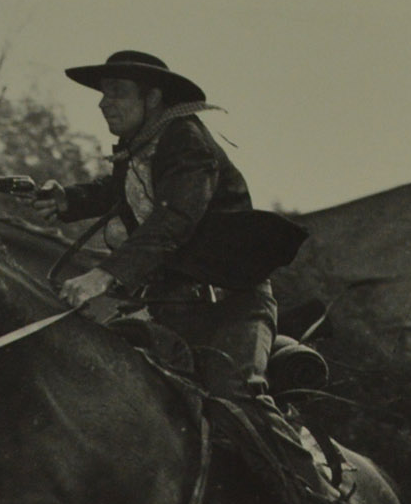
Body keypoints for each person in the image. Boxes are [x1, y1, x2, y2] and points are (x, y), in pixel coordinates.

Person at [30, 51, 287, 399]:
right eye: (103, 93)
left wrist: (104, 275)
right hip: (172, 307)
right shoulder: (140, 147)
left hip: (231, 307)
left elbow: (175, 218)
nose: (104, 104)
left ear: (152, 98)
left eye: (118, 92)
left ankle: (289, 452)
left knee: (235, 400)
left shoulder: (186, 140)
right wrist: (68, 200)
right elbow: (115, 190)